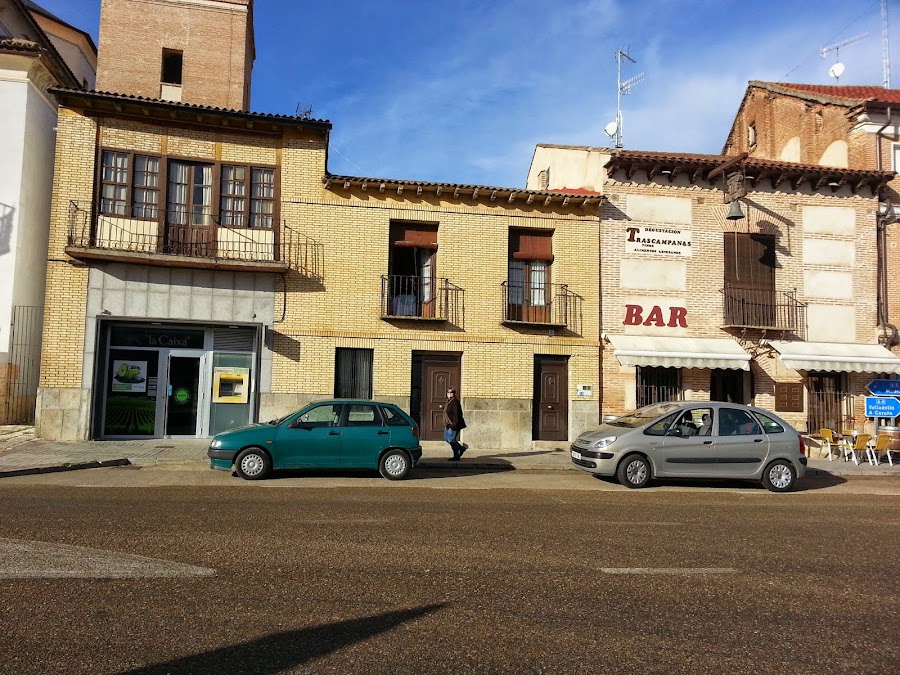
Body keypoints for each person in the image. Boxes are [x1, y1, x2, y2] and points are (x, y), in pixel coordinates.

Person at [444, 388, 467, 460]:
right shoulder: (448, 401)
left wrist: (454, 425)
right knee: (447, 438)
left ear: (454, 394)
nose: (449, 394)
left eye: (451, 393)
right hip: (448, 424)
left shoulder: (455, 402)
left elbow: (456, 414)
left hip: (453, 424)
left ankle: (456, 456)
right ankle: (461, 448)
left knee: (451, 440)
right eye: (448, 393)